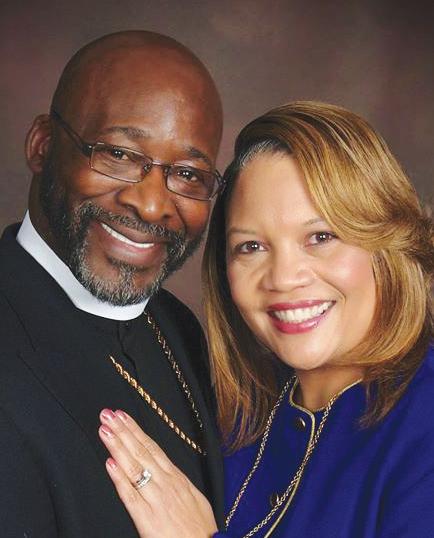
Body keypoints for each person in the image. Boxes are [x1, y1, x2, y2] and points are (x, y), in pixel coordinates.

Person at [96, 101, 434, 537]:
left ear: (387, 242)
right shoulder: (232, 410)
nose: (283, 278)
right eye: (251, 247)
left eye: (321, 237)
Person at [0, 30, 226, 537]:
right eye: (119, 155)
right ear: (42, 145)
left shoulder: (178, 325)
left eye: (188, 174)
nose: (152, 205)